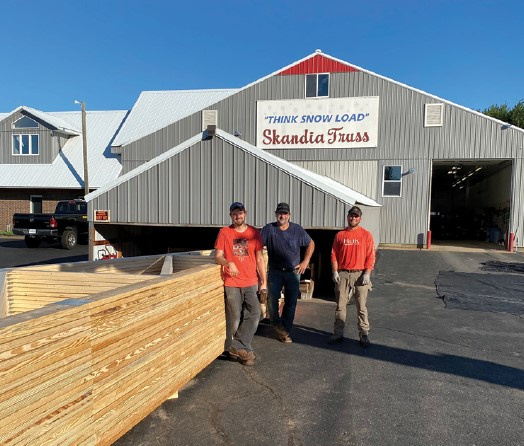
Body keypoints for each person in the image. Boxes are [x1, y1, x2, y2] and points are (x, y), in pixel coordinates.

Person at [215, 201, 267, 366]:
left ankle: (237, 345)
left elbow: (259, 258)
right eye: (235, 213)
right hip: (232, 282)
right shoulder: (224, 232)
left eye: (240, 213)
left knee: (255, 312)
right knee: (236, 316)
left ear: (245, 213)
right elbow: (217, 256)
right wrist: (228, 262)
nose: (238, 216)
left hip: (251, 280)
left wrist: (264, 282)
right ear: (231, 215)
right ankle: (242, 351)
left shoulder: (254, 232)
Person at [261, 202, 315, 343]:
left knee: (291, 303)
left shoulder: (297, 230)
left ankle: (285, 330)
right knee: (271, 299)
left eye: (285, 213)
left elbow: (311, 243)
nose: (282, 216)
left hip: (293, 272)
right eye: (280, 213)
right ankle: (277, 324)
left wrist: (305, 262)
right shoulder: (269, 229)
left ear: (289, 215)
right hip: (275, 271)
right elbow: (256, 246)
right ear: (276, 214)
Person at [329, 205, 375, 347]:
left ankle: (364, 334)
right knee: (340, 306)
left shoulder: (366, 235)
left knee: (361, 307)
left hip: (360, 274)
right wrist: (335, 271)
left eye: (356, 216)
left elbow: (371, 255)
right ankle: (338, 333)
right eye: (351, 215)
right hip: (343, 274)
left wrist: (367, 273)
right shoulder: (340, 235)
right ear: (348, 217)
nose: (353, 218)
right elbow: (334, 254)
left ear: (360, 218)